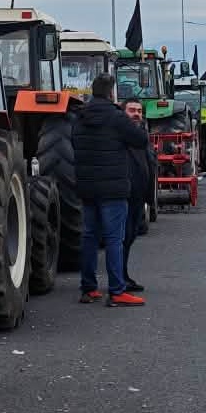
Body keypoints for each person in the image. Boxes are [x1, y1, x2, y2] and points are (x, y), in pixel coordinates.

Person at [72, 74, 149, 306]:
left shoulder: (80, 117)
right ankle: (116, 291)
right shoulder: (117, 117)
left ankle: (88, 288)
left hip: (87, 187)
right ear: (111, 93)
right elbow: (140, 140)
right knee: (115, 239)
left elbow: (74, 143)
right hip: (113, 188)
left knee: (89, 237)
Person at [122, 100, 153, 292]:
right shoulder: (121, 134)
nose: (136, 114)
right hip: (125, 194)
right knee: (123, 238)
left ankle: (123, 276)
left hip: (138, 196)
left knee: (130, 236)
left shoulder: (141, 135)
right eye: (132, 110)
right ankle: (120, 279)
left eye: (139, 111)